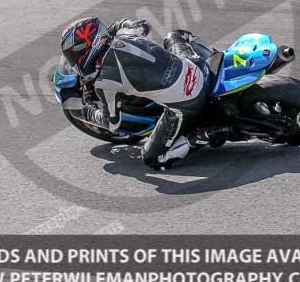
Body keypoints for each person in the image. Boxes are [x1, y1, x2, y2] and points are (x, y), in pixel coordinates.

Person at [59, 16, 221, 169]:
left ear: (88, 48)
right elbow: (142, 25)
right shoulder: (128, 34)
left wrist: (87, 112)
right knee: (174, 35)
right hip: (196, 66)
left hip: (188, 100)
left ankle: (205, 135)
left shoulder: (105, 82)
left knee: (153, 158)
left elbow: (112, 124)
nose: (73, 59)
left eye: (74, 54)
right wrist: (116, 27)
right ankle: (218, 59)